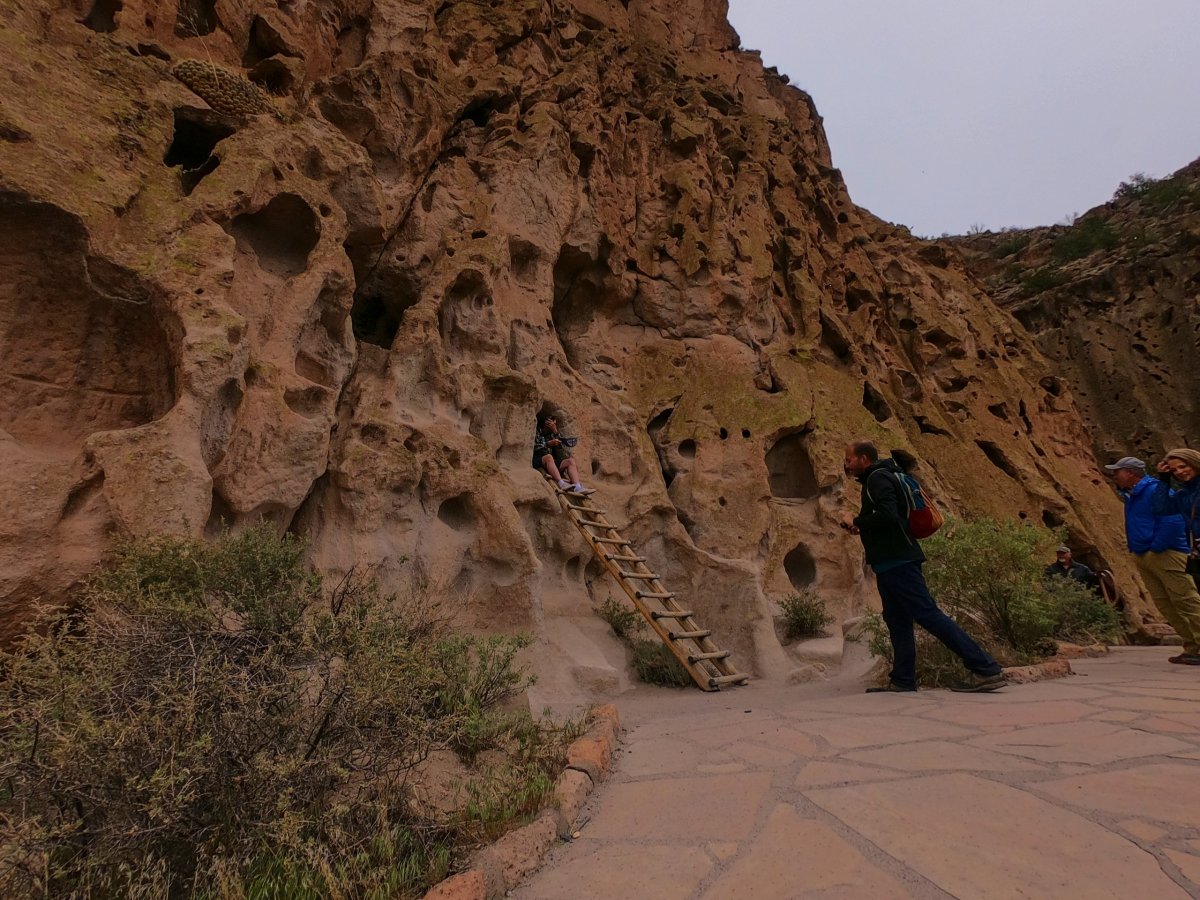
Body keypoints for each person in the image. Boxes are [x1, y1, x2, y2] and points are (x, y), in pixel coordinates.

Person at [839, 441, 1005, 693]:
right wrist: (862, 527)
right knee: (897, 619)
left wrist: (855, 519)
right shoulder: (886, 476)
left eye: (849, 459)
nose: (846, 464)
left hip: (898, 561)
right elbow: (889, 519)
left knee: (927, 614)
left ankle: (985, 668)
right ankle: (903, 679)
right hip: (890, 562)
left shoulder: (877, 479)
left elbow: (889, 515)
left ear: (863, 459)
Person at [1106, 455, 1200, 666]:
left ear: (1130, 473)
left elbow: (1173, 521)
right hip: (1144, 554)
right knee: (1166, 605)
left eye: (1117, 471)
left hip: (1166, 553)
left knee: (1186, 601)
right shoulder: (1132, 494)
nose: (1114, 476)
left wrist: (1155, 547)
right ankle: (1193, 647)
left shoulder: (1154, 489)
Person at [533, 413, 588, 493]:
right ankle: (561, 484)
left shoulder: (553, 434)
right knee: (549, 456)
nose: (552, 426)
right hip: (538, 459)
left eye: (554, 424)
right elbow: (533, 446)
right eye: (551, 424)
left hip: (550, 463)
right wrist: (548, 444)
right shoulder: (537, 431)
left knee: (570, 461)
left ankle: (577, 487)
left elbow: (561, 447)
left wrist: (555, 431)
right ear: (546, 423)